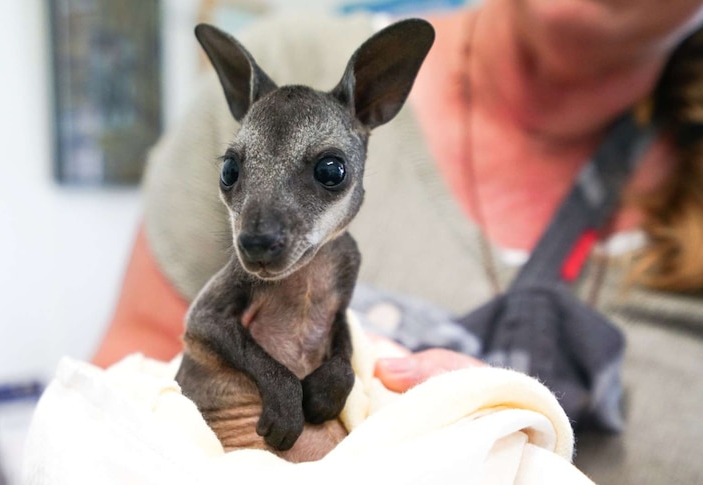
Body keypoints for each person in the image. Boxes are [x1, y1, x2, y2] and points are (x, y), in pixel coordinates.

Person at [93, 1, 703, 483]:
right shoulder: (288, 59)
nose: (261, 229)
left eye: (327, 174)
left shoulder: (341, 251)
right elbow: (131, 385)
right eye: (235, 175)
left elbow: (337, 335)